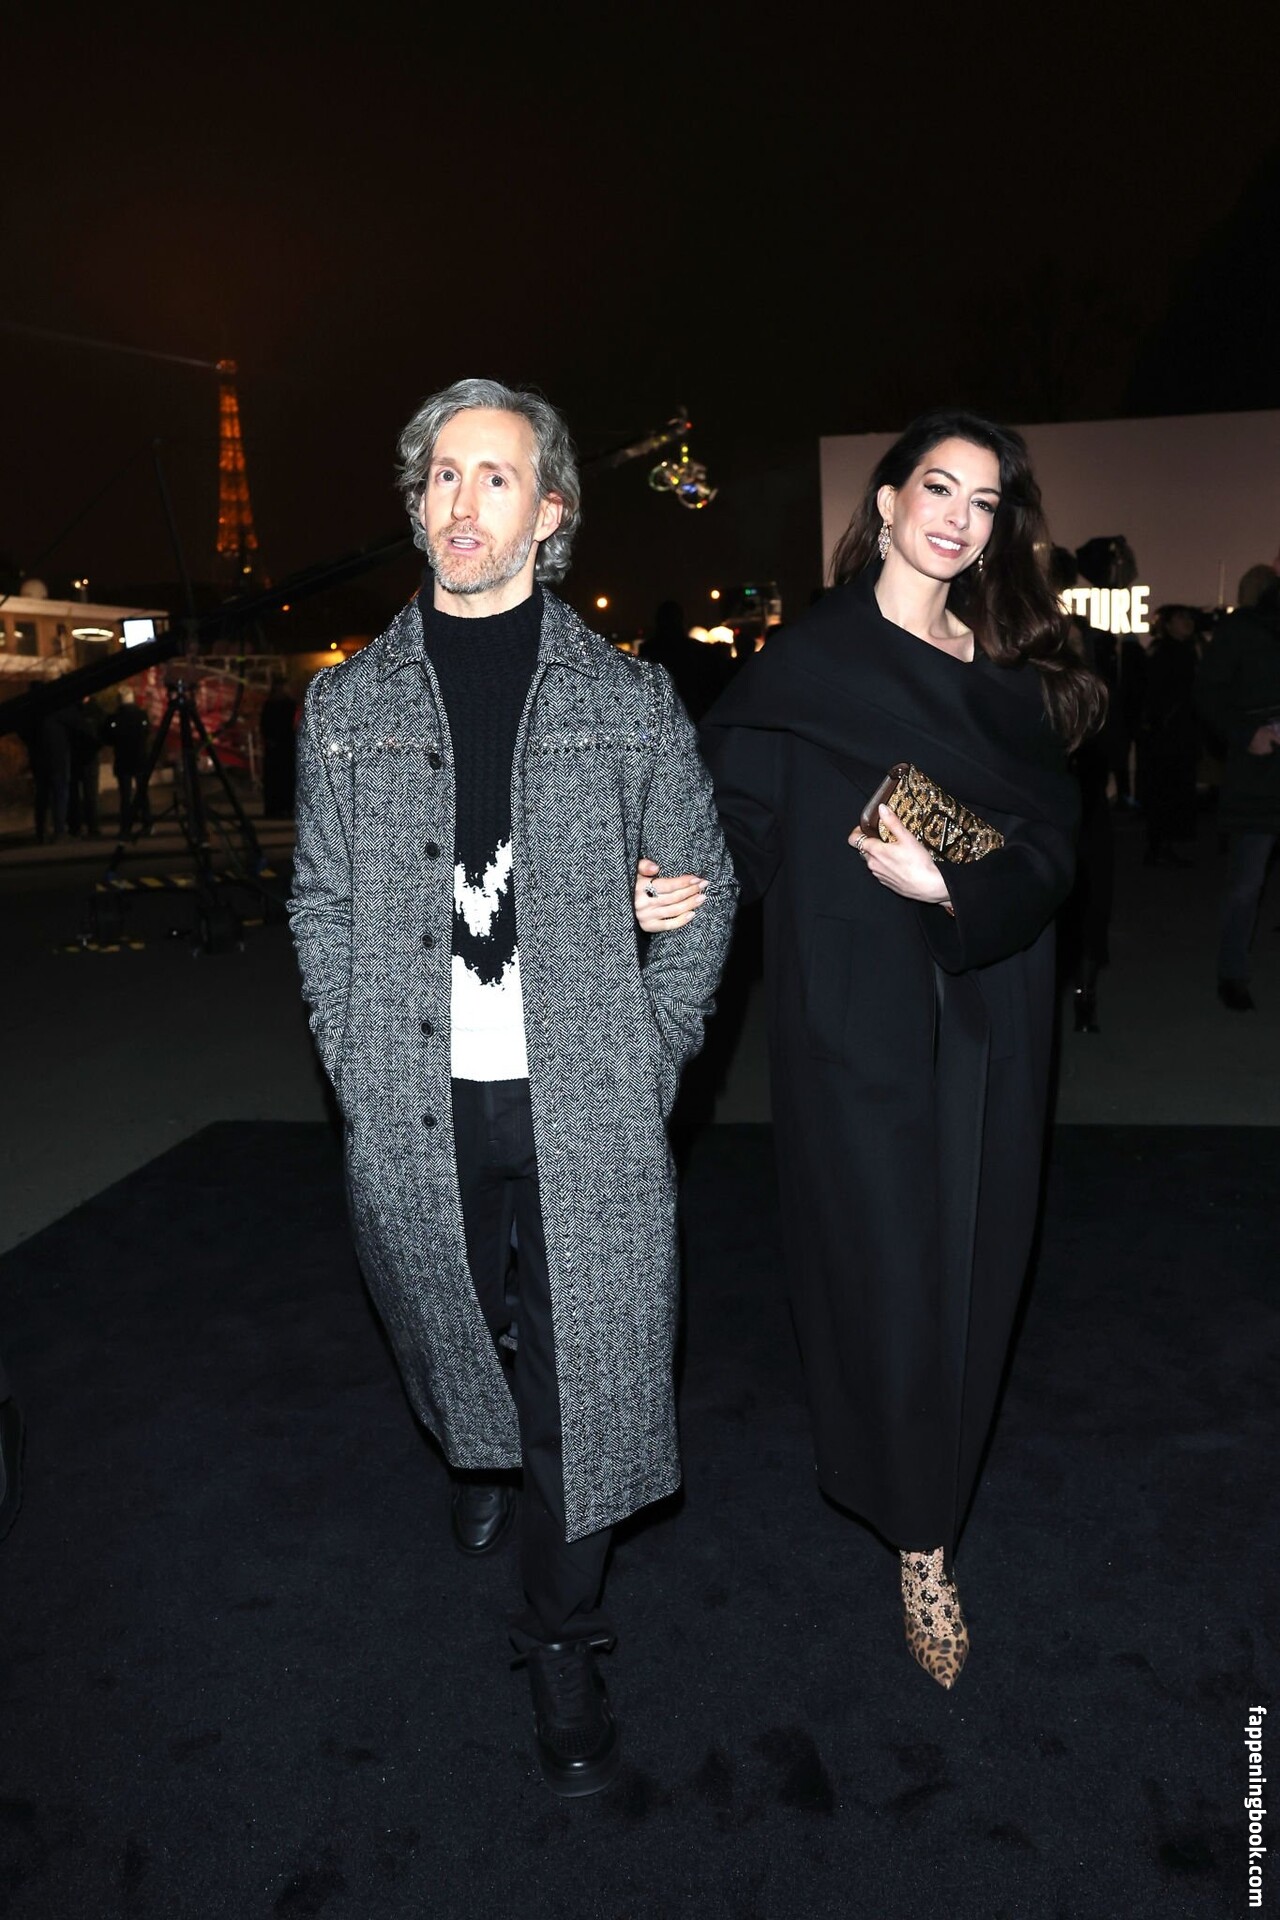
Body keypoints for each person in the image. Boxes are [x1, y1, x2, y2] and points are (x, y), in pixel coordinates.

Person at [288, 378, 735, 1796]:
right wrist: (356, 1063)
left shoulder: (628, 700)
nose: (462, 500)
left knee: (584, 1373)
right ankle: (475, 1453)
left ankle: (561, 1632)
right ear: (418, 502)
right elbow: (319, 905)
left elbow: (703, 891)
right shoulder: (345, 706)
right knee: (444, 1311)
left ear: (549, 514)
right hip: (413, 1094)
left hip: (585, 1098)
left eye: (496, 476)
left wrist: (648, 1059)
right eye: (442, 474)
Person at [637, 410, 1102, 1688]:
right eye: (936, 488)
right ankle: (919, 1538)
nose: (957, 518)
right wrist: (668, 885)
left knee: (974, 1263)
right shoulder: (807, 661)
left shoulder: (1007, 675)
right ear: (886, 502)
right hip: (851, 1010)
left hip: (991, 998)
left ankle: (932, 1492)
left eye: (983, 502)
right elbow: (730, 818)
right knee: (888, 1271)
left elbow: (1054, 848)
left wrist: (955, 884)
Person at [1196, 571, 1280, 1011]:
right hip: (1259, 776)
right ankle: (1232, 973)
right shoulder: (1242, 631)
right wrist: (1248, 734)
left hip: (1259, 773)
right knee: (1247, 882)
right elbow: (1208, 695)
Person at [1138, 606, 1202, 868]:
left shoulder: (1177, 650)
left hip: (1173, 732)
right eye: (1181, 618)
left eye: (1188, 617)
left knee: (1168, 788)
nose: (1188, 622)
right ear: (1168, 625)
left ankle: (1161, 844)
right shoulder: (1169, 653)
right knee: (1167, 789)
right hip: (1170, 734)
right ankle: (1160, 845)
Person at [107, 687, 152, 837]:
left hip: (123, 759)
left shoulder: (115, 718)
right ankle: (147, 822)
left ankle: (126, 827)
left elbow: (108, 737)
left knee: (125, 796)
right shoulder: (141, 715)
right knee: (142, 793)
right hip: (140, 758)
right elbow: (147, 732)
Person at [259, 676, 298, 817]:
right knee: (275, 778)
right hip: (276, 744)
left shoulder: (289, 704)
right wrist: (268, 738)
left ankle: (285, 807)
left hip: (286, 744)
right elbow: (265, 724)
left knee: (285, 777)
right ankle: (275, 808)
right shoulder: (271, 704)